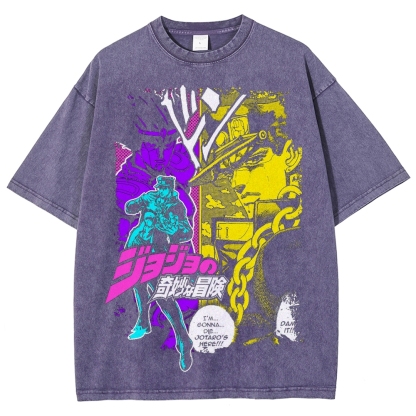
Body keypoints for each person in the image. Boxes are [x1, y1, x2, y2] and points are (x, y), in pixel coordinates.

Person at [124, 175, 194, 372]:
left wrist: (173, 231)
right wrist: (138, 201)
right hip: (137, 246)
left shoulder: (177, 207)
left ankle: (183, 339)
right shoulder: (150, 198)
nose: (160, 191)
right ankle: (143, 322)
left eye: (164, 189)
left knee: (163, 297)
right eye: (158, 188)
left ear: (170, 189)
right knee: (137, 283)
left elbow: (187, 232)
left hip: (157, 253)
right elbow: (129, 208)